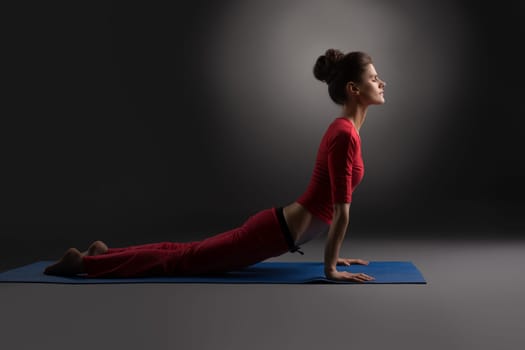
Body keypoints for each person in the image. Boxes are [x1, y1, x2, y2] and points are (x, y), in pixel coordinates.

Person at [44, 49, 386, 282]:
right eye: (374, 78)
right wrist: (330, 268)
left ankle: (104, 253)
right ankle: (84, 263)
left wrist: (334, 255)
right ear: (354, 89)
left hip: (277, 229)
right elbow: (341, 212)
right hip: (272, 233)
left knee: (186, 252)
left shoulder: (346, 131)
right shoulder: (344, 135)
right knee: (182, 261)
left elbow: (328, 207)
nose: (381, 82)